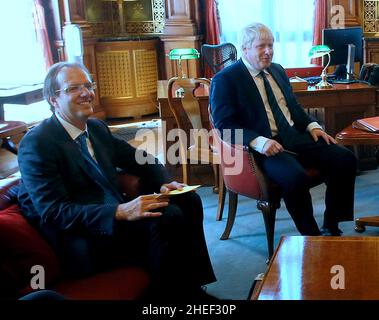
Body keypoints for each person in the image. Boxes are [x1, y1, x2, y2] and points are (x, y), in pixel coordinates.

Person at [17, 61, 216, 301]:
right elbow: (54, 212)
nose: (86, 93)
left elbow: (142, 159)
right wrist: (119, 211)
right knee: (165, 219)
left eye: (88, 86)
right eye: (73, 88)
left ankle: (193, 287)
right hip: (83, 237)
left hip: (117, 217)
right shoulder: (38, 143)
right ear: (53, 99)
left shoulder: (96, 128)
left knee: (188, 200)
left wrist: (163, 184)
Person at [210, 22, 357, 236]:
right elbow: (225, 127)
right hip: (263, 148)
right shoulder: (225, 80)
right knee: (295, 178)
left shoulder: (277, 70)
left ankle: (331, 225)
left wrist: (312, 125)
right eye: (261, 46)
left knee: (345, 159)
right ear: (245, 48)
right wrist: (258, 141)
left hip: (294, 137)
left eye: (270, 45)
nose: (268, 51)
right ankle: (312, 236)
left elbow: (293, 107)